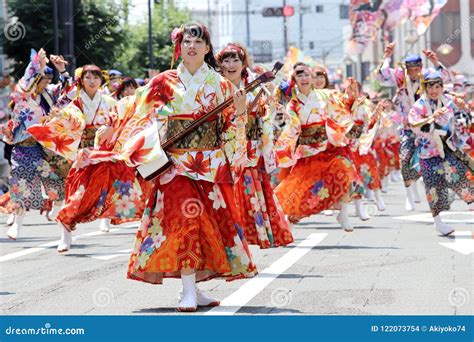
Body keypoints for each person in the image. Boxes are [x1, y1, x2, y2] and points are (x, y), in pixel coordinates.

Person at [28, 64, 119, 251]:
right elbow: (71, 116)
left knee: (109, 189)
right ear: (81, 81)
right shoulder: (77, 102)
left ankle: (106, 220)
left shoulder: (109, 102)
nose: (92, 81)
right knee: (75, 193)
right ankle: (66, 234)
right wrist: (60, 115)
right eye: (88, 78)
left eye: (95, 77)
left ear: (101, 80)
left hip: (104, 151)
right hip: (83, 151)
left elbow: (119, 121)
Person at [216, 42, 293, 249]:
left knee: (249, 193)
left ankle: (246, 235)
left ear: (243, 63)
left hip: (250, 148)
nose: (231, 64)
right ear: (219, 64)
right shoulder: (214, 86)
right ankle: (231, 237)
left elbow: (265, 117)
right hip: (223, 149)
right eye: (226, 60)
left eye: (236, 60)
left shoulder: (254, 85)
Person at [273, 63, 361, 231]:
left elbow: (342, 106)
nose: (304, 78)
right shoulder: (293, 104)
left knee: (344, 168)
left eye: (307, 74)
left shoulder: (326, 95)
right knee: (299, 189)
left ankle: (344, 213)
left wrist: (351, 96)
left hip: (329, 147)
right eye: (299, 75)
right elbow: (292, 127)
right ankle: (288, 219)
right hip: (308, 151)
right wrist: (284, 144)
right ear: (294, 80)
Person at [1, 49, 67, 239]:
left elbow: (68, 93)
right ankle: (17, 223)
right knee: (22, 180)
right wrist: (38, 63)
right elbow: (27, 80)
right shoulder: (23, 94)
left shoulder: (50, 94)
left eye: (48, 79)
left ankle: (55, 206)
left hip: (47, 146)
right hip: (25, 144)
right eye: (42, 79)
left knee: (56, 181)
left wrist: (61, 71)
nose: (45, 82)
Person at [377, 43, 449, 211]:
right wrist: (386, 55)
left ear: (421, 66)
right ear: (406, 68)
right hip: (408, 126)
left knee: (432, 160)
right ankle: (410, 194)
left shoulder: (428, 76)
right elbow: (382, 76)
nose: (414, 71)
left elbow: (444, 78)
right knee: (405, 159)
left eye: (417, 67)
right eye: (410, 68)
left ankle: (435, 193)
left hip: (427, 127)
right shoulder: (400, 77)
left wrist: (436, 62)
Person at [408, 70, 473, 235]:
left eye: (437, 86)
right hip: (428, 152)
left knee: (462, 176)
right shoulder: (419, 105)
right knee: (432, 187)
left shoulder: (446, 101)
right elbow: (414, 125)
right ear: (425, 88)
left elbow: (458, 109)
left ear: (442, 87)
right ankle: (438, 222)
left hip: (448, 149)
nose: (434, 90)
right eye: (430, 87)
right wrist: (431, 118)